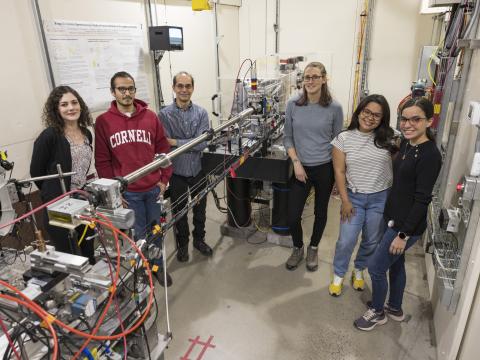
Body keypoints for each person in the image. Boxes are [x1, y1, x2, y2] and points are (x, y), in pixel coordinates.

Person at [354, 97, 442, 331]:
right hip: (392, 217)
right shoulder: (406, 144)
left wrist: (402, 235)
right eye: (404, 119)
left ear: (429, 121)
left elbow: (422, 200)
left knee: (375, 267)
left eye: (416, 119)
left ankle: (378, 312)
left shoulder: (430, 155)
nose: (408, 124)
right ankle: (395, 307)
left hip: (405, 226)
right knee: (396, 264)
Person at [95, 71, 173, 286]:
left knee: (156, 231)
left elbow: (163, 151)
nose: (127, 93)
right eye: (121, 89)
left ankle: (157, 266)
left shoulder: (150, 117)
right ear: (113, 92)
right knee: (136, 236)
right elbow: (102, 161)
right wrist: (115, 193)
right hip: (129, 194)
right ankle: (142, 271)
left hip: (153, 189)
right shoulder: (103, 122)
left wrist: (164, 180)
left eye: (130, 88)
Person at [329, 94, 396, 296]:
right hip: (354, 198)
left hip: (381, 198)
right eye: (367, 112)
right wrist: (345, 200)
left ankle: (359, 270)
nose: (370, 117)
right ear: (359, 112)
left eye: (377, 115)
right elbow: (339, 172)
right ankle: (338, 275)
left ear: (382, 118)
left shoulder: (389, 138)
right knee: (346, 240)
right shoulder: (343, 139)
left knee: (371, 240)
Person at [283, 61, 344, 271]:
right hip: (301, 168)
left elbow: (338, 143)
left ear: (324, 79)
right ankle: (298, 247)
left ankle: (314, 247)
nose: (310, 81)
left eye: (315, 77)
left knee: (321, 212)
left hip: (325, 169)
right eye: (307, 77)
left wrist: (338, 176)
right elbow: (287, 138)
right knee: (292, 215)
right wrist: (297, 163)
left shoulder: (334, 108)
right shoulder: (293, 104)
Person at [30, 86, 96, 264]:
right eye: (64, 104)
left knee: (88, 248)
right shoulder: (49, 136)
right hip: (58, 206)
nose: (70, 108)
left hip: (81, 201)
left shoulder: (86, 133)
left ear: (80, 105)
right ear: (56, 109)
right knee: (70, 258)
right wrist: (53, 194)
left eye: (74, 103)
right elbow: (36, 173)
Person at [159, 71, 212, 263]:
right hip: (177, 173)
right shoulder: (164, 115)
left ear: (192, 88)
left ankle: (199, 240)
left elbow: (202, 144)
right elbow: (165, 143)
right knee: (179, 212)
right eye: (180, 86)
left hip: (198, 170)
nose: (184, 90)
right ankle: (183, 246)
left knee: (200, 209)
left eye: (187, 86)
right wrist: (188, 142)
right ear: (173, 88)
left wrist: (176, 141)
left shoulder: (201, 113)